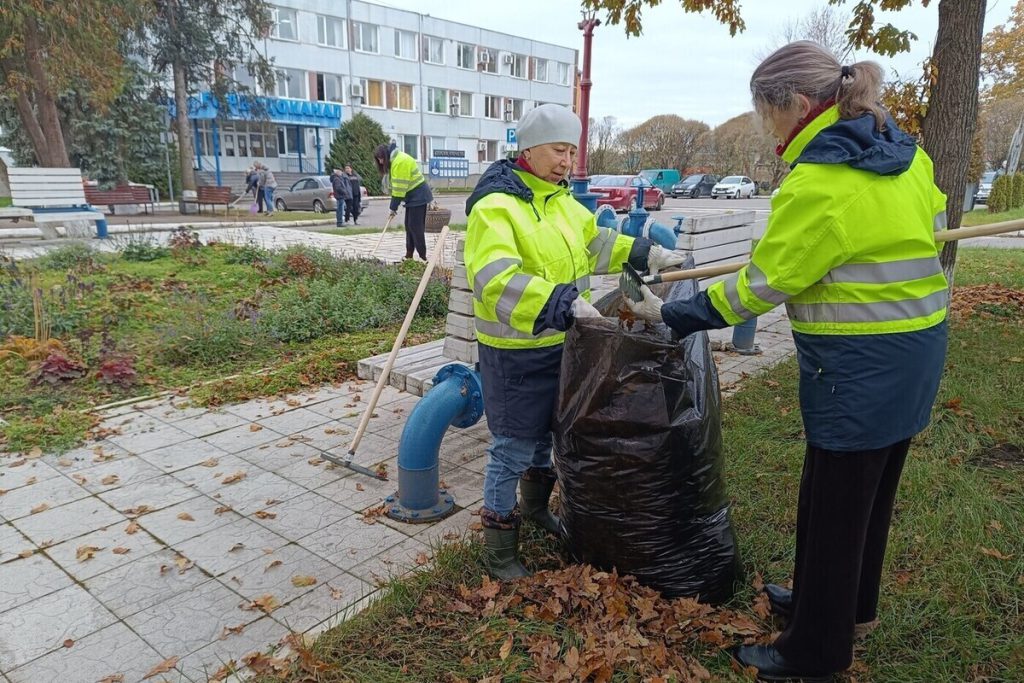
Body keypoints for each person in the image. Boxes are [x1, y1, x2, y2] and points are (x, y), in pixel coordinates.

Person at [624, 41, 949, 681]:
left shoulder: (821, 181)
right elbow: (931, 220)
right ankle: (847, 608)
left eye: (767, 116)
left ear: (798, 105)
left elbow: (761, 285)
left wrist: (677, 313)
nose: (768, 129)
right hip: (916, 348)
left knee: (834, 506)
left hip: (860, 361)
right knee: (866, 495)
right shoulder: (904, 155)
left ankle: (814, 652)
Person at [464, 103, 688, 580]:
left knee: (550, 434)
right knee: (512, 448)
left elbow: (597, 246)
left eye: (572, 150)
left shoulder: (564, 203)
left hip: (565, 344)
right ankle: (500, 549)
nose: (568, 161)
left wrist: (650, 253)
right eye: (558, 150)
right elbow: (494, 280)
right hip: (516, 355)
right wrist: (561, 304)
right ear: (528, 150)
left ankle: (536, 510)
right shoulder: (495, 208)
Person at [374, 142, 433, 259]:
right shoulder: (396, 160)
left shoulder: (399, 162)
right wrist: (393, 207)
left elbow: (399, 188)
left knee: (416, 227)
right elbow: (398, 187)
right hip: (412, 197)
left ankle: (423, 257)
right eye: (378, 159)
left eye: (381, 159)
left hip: (419, 195)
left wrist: (393, 208)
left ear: (386, 155)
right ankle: (409, 255)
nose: (380, 162)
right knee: (409, 226)